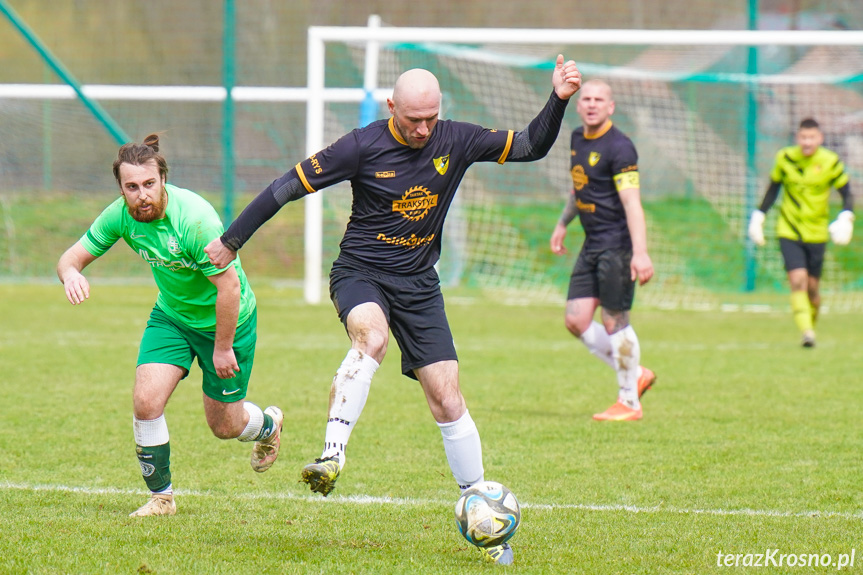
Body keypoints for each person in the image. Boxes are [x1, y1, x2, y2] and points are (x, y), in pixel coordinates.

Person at [205, 56, 582, 565]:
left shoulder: (457, 139)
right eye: (412, 120)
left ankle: (484, 514)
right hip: (360, 273)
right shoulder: (361, 145)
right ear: (391, 108)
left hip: (420, 287)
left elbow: (532, 146)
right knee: (372, 338)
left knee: (447, 398)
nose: (423, 129)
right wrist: (232, 240)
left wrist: (558, 97)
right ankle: (332, 454)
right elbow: (287, 187)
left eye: (431, 117)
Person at [57, 134, 283, 517]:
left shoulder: (194, 221)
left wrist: (223, 347)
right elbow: (69, 258)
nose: (141, 195)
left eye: (149, 184)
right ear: (121, 189)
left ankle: (268, 426)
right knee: (146, 402)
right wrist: (71, 274)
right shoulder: (120, 216)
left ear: (163, 180)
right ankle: (162, 498)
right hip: (172, 318)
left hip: (226, 321)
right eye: (132, 187)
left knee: (225, 426)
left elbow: (228, 287)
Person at [549, 79, 656, 423]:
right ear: (579, 106)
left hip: (617, 245)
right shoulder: (577, 138)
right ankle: (635, 373)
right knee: (575, 320)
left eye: (599, 99)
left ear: (611, 107)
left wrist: (640, 252)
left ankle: (629, 401)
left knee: (614, 321)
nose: (592, 104)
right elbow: (580, 187)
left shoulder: (620, 147)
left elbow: (632, 203)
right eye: (587, 99)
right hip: (591, 243)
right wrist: (564, 223)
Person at [748, 118, 853, 348]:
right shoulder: (785, 158)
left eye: (812, 138)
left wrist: (846, 217)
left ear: (820, 138)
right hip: (789, 230)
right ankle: (807, 333)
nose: (807, 142)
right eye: (803, 138)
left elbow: (847, 193)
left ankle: (810, 322)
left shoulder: (830, 161)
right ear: (798, 138)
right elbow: (773, 189)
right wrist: (759, 216)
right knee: (798, 280)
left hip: (817, 233)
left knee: (813, 289)